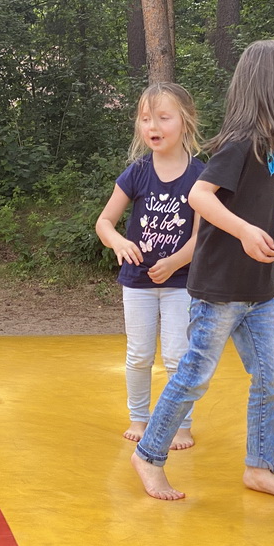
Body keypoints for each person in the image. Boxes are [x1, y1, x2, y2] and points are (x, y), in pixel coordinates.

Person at [130, 39, 274, 504]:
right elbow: (200, 196)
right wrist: (244, 233)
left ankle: (259, 467)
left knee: (272, 377)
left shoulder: (273, 146)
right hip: (219, 289)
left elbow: (262, 203)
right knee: (193, 375)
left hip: (258, 289)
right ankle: (149, 456)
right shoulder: (240, 144)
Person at [96, 82, 205, 447]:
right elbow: (104, 223)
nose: (153, 126)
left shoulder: (200, 177)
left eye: (163, 117)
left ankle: (182, 423)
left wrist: (174, 262)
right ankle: (140, 419)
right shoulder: (138, 172)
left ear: (185, 122)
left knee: (178, 357)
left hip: (180, 283)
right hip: (137, 282)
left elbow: (200, 237)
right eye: (146, 119)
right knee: (139, 355)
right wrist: (119, 242)